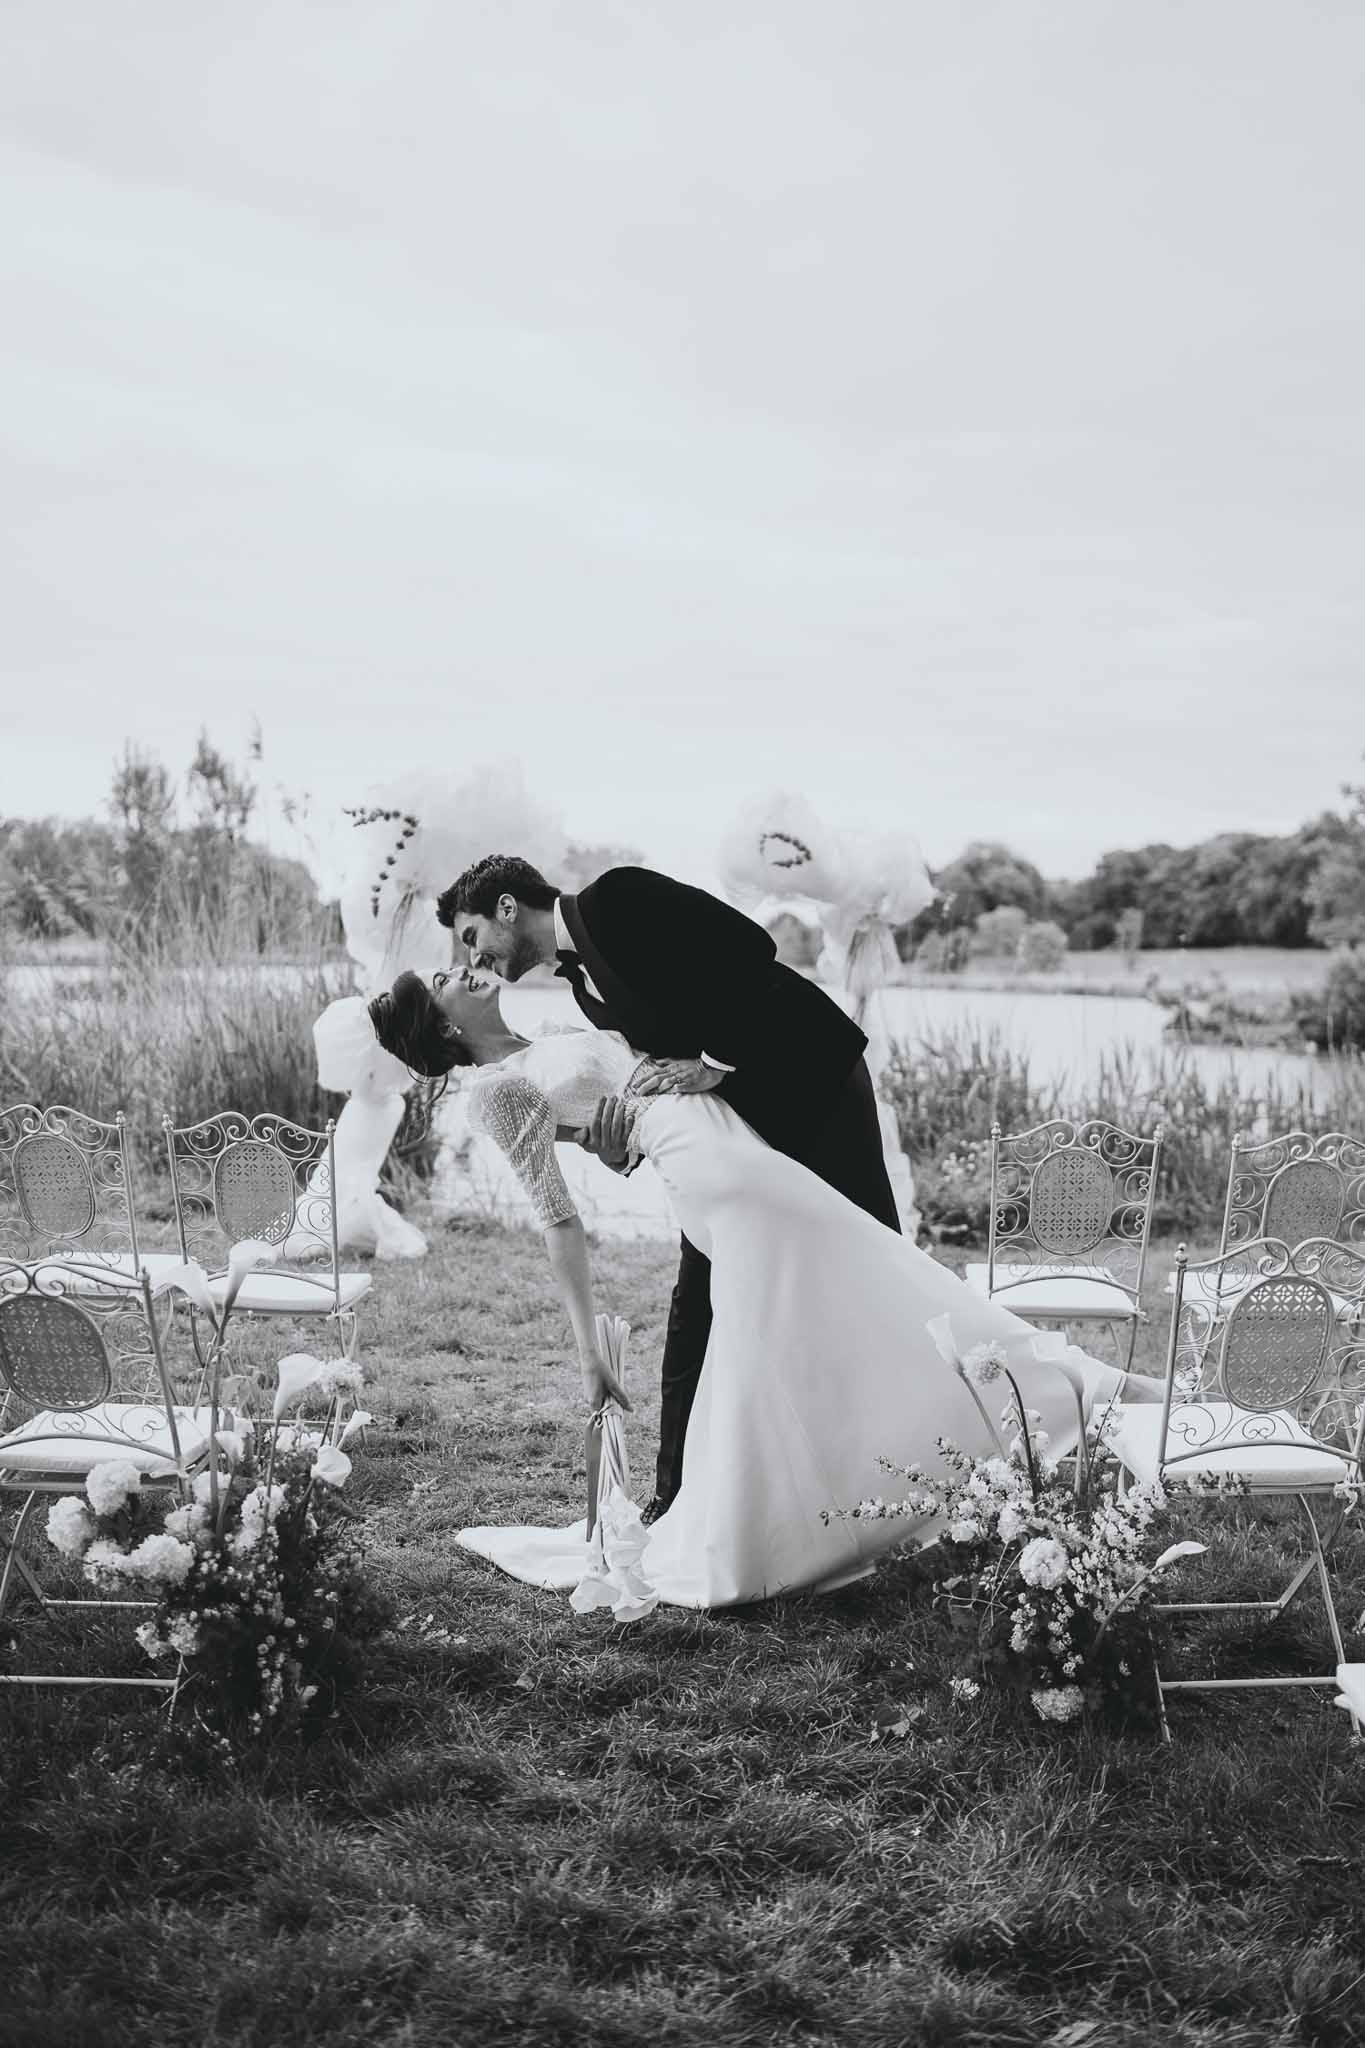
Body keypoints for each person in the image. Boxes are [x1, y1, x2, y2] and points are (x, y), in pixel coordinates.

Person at [367, 967, 1140, 1611]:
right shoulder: (498, 1092)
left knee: (852, 1294)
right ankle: (1068, 1394)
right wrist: (585, 1348)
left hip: (730, 1143)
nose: (460, 969)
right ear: (443, 1028)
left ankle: (1032, 1405)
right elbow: (556, 1219)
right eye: (442, 982)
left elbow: (620, 1104)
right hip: (715, 1174)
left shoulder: (550, 1034)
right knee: (865, 1286)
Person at [435, 855, 901, 1522]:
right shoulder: (580, 991)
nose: (474, 956)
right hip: (730, 1146)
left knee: (870, 1261)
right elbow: (638, 1078)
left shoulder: (620, 895)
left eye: (471, 935)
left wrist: (712, 1063)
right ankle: (673, 1502)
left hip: (812, 1084)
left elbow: (747, 949)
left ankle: (924, 1442)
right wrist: (613, 1145)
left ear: (506, 908)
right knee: (696, 1311)